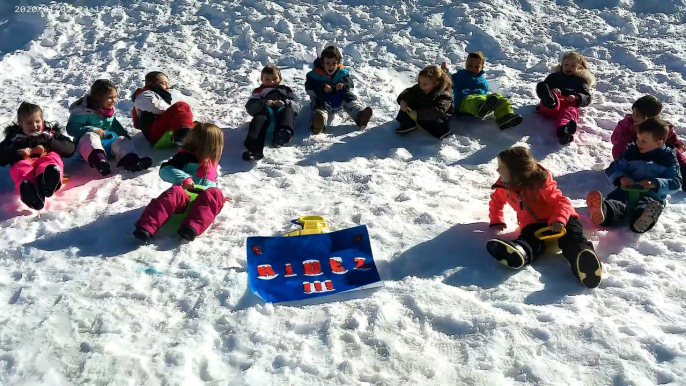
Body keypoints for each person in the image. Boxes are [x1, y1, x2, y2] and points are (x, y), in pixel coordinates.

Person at [486, 146, 602, 288]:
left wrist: (559, 219)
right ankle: (520, 251)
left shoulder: (541, 185)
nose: (498, 171)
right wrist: (496, 219)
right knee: (530, 239)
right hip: (533, 224)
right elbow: (496, 202)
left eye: (501, 167)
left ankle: (584, 258)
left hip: (563, 218)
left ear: (515, 173)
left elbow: (562, 202)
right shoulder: (504, 188)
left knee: (572, 238)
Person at [133, 123, 229, 242]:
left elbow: (212, 185)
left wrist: (218, 198)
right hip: (183, 198)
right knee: (174, 192)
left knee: (216, 193)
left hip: (201, 204)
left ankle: (191, 228)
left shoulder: (212, 164)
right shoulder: (185, 157)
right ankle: (146, 226)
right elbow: (165, 170)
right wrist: (184, 178)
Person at [587, 118, 682, 233]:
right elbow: (613, 168)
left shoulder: (668, 159)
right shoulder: (631, 152)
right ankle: (604, 212)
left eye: (643, 141)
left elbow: (676, 182)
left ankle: (642, 220)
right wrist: (621, 177)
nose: (638, 143)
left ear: (659, 143)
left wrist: (654, 183)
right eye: (638, 138)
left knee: (644, 207)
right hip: (625, 191)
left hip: (651, 196)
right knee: (616, 202)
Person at [0, 102, 74, 210]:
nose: (34, 126)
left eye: (37, 121)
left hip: (45, 158)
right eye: (29, 123)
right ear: (21, 123)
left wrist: (48, 146)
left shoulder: (49, 134)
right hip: (25, 161)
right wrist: (17, 152)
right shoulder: (14, 138)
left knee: (51, 157)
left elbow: (69, 148)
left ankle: (48, 180)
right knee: (22, 167)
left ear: (42, 120)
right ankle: (31, 193)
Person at [395, 64, 453, 140]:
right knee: (408, 104)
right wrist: (402, 100)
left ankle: (443, 131)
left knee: (426, 121)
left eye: (425, 84)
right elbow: (408, 92)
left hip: (438, 116)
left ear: (436, 84)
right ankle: (408, 124)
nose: (421, 86)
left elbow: (438, 111)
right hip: (423, 108)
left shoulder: (443, 95)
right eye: (419, 82)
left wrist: (418, 114)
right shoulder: (420, 87)